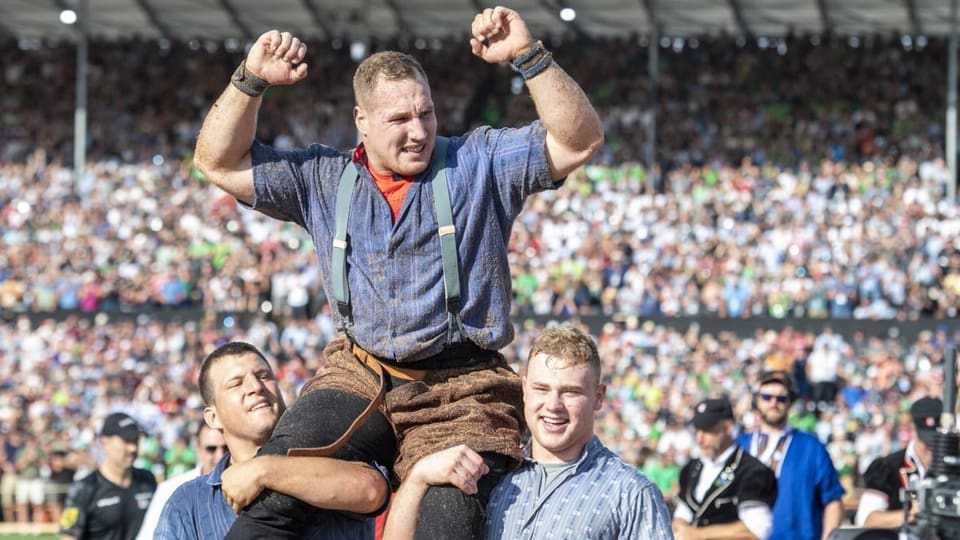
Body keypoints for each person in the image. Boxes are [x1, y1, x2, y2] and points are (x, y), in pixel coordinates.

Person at [192, 4, 603, 539]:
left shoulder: (475, 163)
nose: (418, 132)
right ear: (361, 122)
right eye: (399, 119)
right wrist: (249, 82)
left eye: (426, 113)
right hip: (358, 370)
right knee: (273, 493)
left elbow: (579, 140)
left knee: (445, 522)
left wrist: (529, 56)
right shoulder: (324, 178)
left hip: (463, 389)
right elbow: (216, 161)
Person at [382, 325, 673, 539]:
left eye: (571, 392)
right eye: (542, 388)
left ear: (599, 397)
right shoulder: (487, 469)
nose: (553, 405)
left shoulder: (632, 493)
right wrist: (418, 478)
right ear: (524, 389)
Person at [154, 341, 390, 539]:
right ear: (213, 417)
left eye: (264, 376)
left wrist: (263, 469)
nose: (256, 387)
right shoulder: (189, 503)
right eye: (236, 384)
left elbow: (372, 491)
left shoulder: (331, 452)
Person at [738, 371, 845, 540]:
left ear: (790, 402)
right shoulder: (739, 445)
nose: (774, 403)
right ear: (756, 401)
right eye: (767, 397)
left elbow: (833, 501)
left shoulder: (811, 447)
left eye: (781, 398)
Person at [673, 398, 777, 540]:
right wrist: (680, 528)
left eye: (707, 430)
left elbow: (758, 530)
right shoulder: (691, 468)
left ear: (728, 428)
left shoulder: (753, 471)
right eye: (697, 430)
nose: (699, 438)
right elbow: (683, 512)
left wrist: (699, 534)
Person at [58, 412, 157, 540]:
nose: (133, 448)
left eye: (136, 441)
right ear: (104, 442)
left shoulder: (148, 481)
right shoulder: (84, 488)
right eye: (126, 441)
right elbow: (68, 536)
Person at [854, 397, 942, 528]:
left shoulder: (955, 465)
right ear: (913, 428)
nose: (931, 445)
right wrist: (911, 515)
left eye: (937, 439)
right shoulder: (888, 467)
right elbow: (867, 518)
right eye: (926, 440)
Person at [135, 422, 227, 540]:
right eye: (211, 449)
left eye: (226, 448)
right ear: (198, 449)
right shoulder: (170, 489)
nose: (220, 456)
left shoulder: (247, 486)